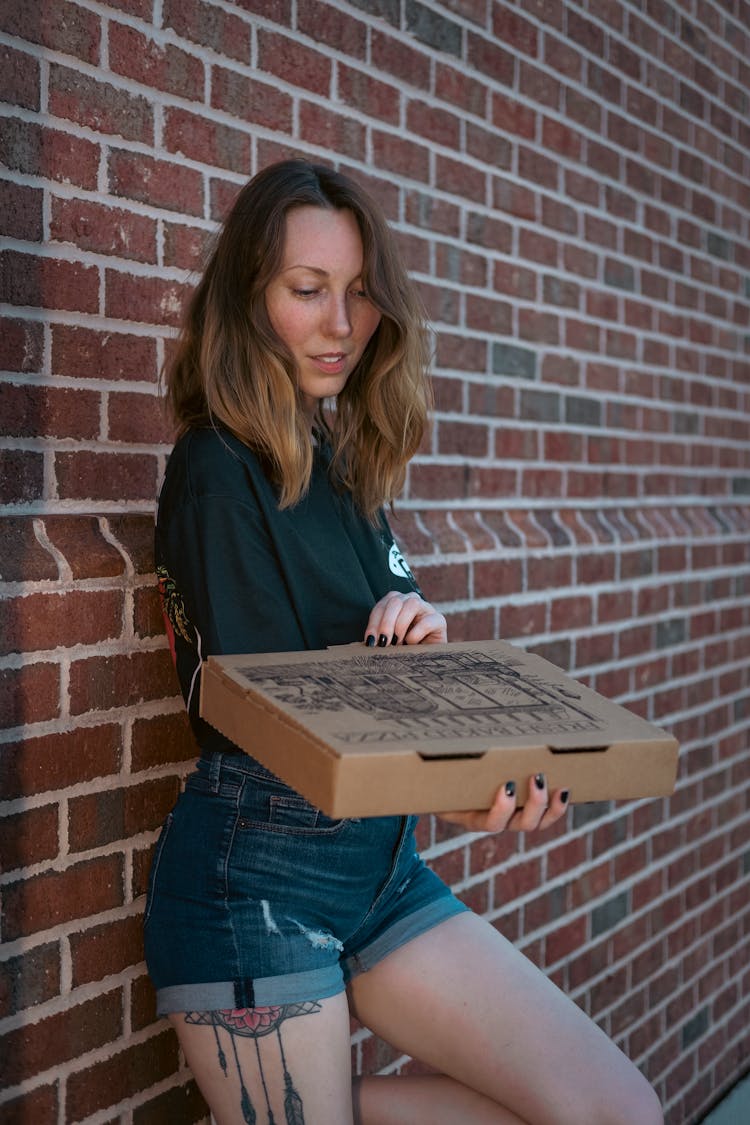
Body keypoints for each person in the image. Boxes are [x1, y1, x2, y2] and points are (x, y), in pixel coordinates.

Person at [145, 159, 663, 1125]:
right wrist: (427, 762)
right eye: (309, 292)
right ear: (248, 300)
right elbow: (288, 721)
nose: (342, 324)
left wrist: (430, 659)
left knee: (613, 1109)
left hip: (380, 867)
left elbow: (394, 662)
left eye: (360, 294)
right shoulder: (217, 467)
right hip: (255, 876)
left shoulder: (340, 460)